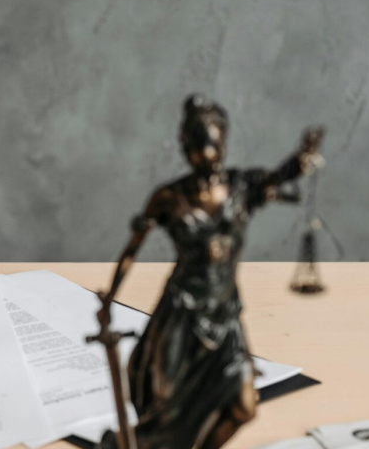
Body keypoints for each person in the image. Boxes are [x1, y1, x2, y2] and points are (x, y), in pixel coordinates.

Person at [96, 95, 323, 449]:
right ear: (185, 147)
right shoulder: (169, 197)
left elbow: (278, 176)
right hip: (182, 315)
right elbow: (131, 250)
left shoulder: (240, 187)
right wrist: (110, 297)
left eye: (213, 144)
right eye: (197, 146)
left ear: (224, 142)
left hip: (224, 315)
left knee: (243, 407)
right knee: (167, 406)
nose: (205, 154)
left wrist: (301, 158)